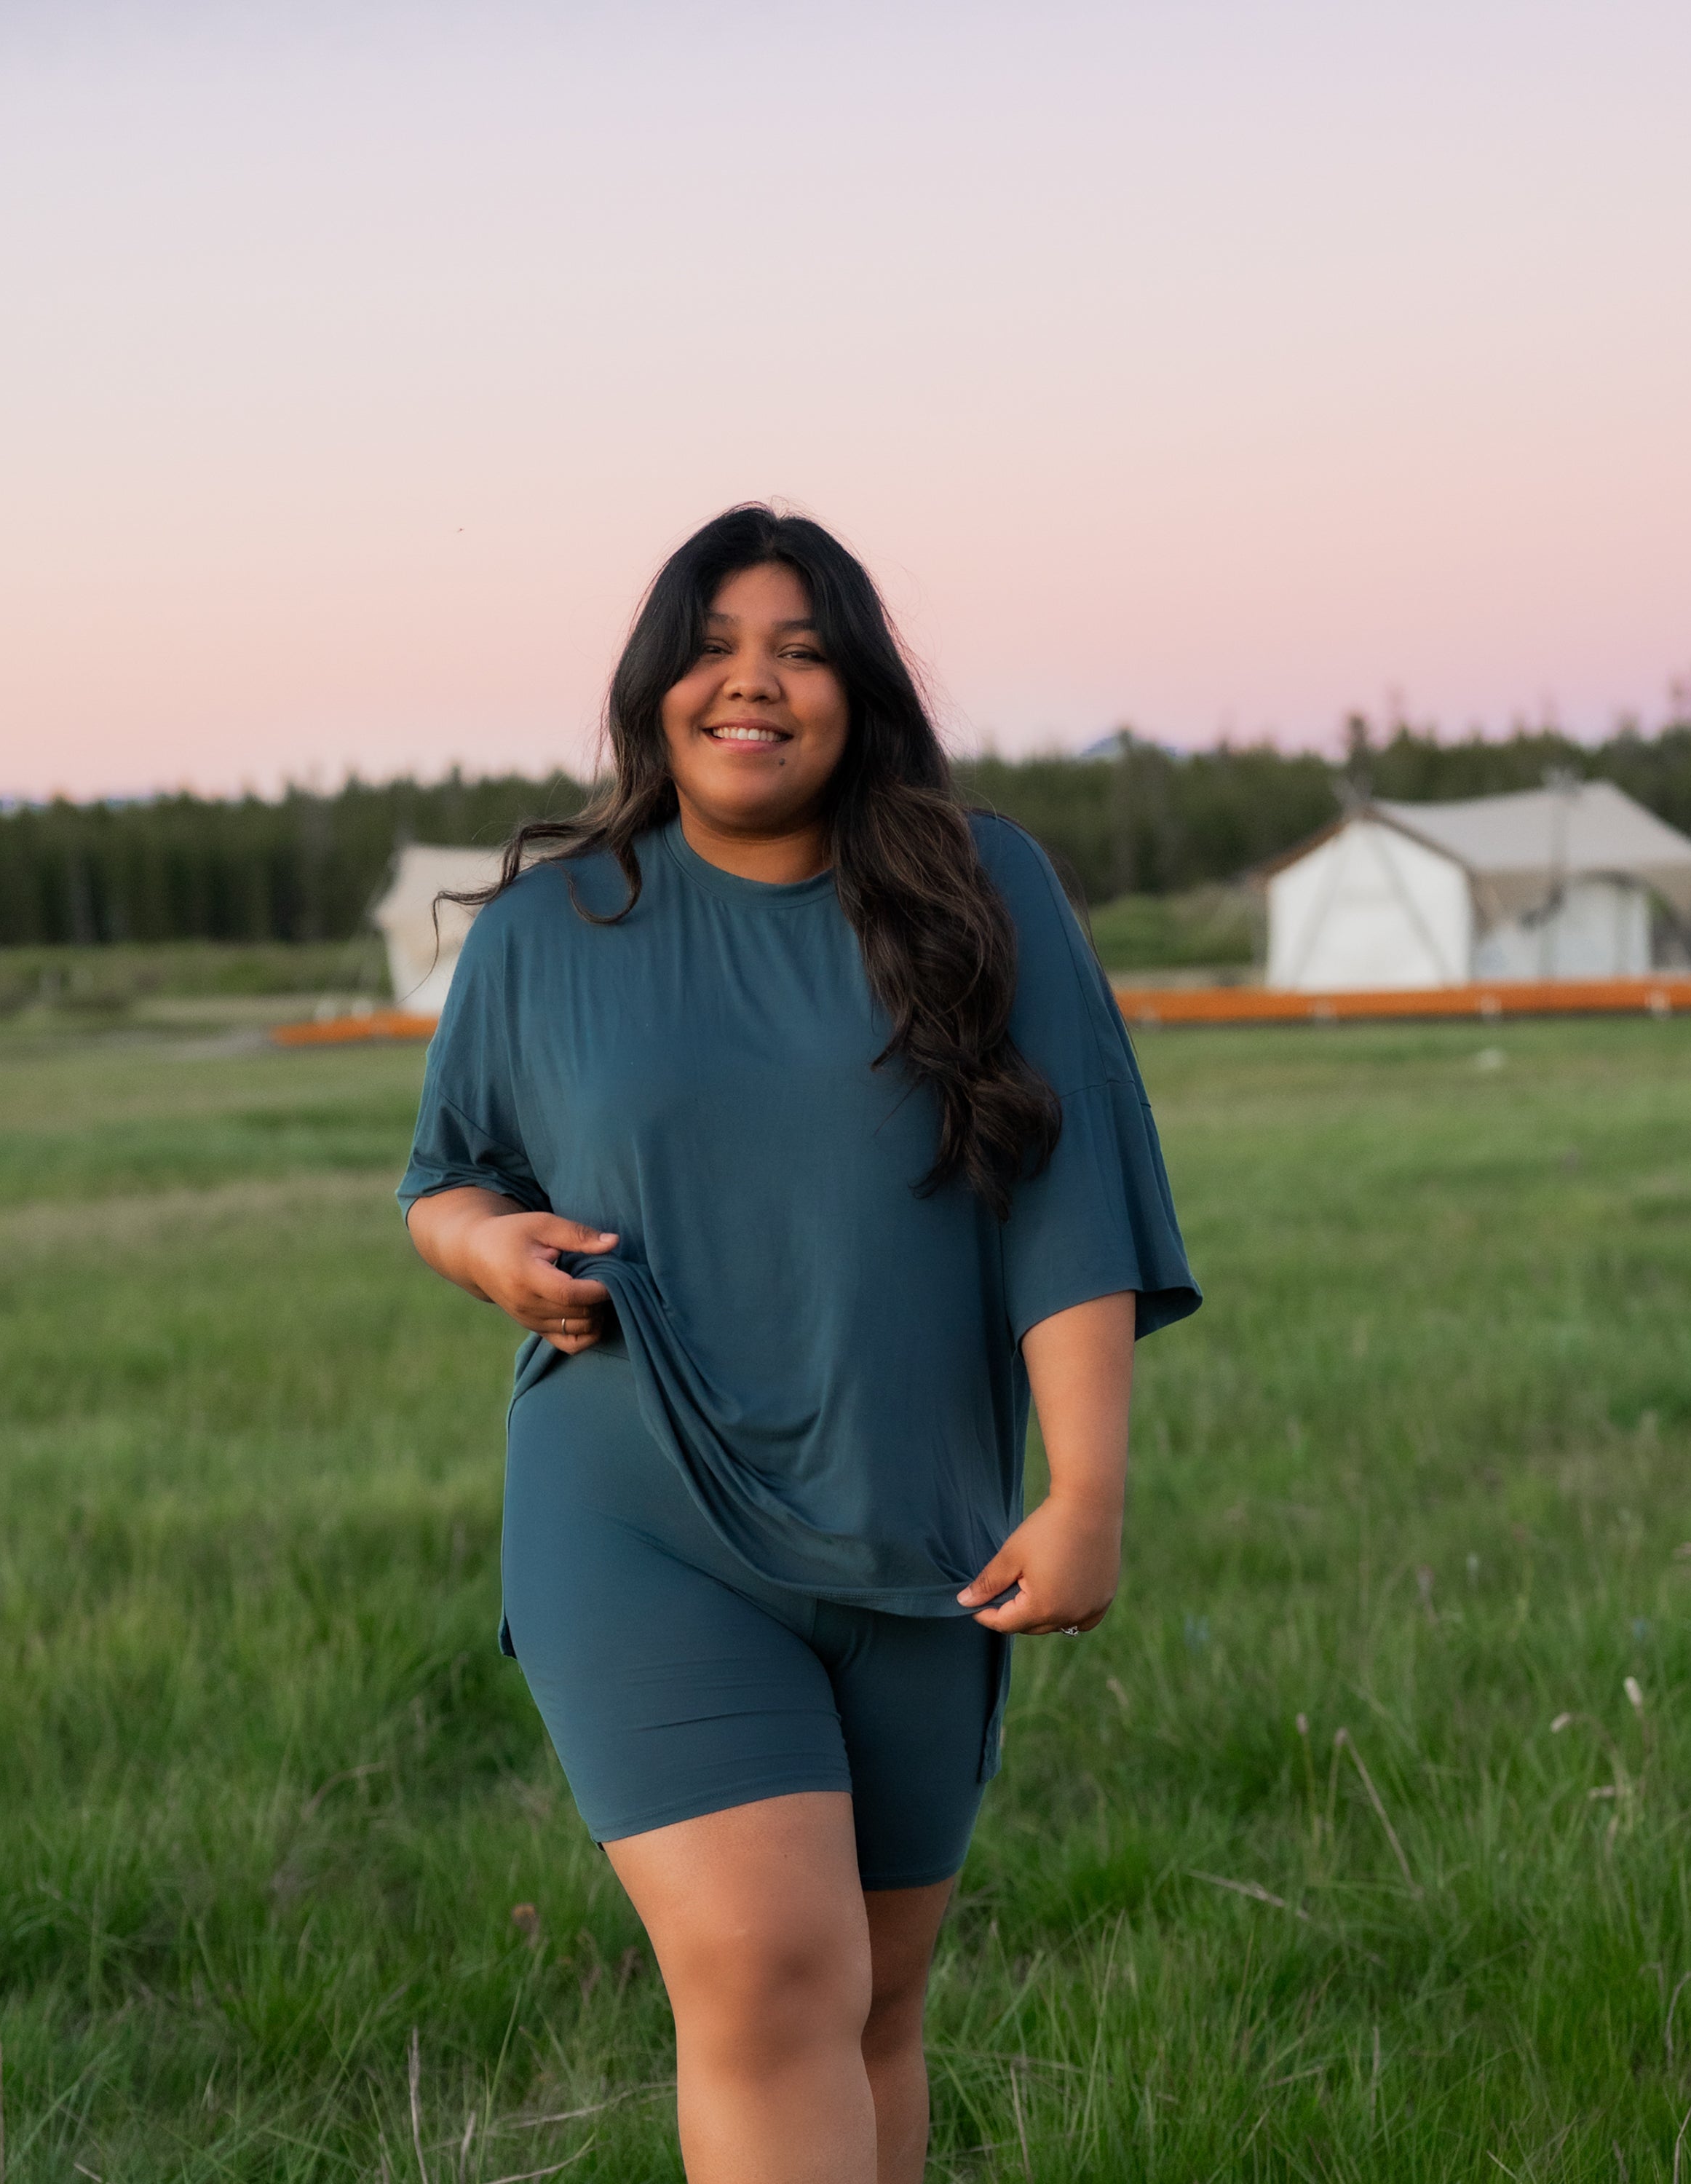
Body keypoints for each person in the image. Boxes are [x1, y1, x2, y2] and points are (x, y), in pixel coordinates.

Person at [400, 505, 1198, 2184]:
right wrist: (490, 1252)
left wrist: (1090, 1487)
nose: (749, 682)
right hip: (635, 1513)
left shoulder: (985, 892)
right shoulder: (550, 933)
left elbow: (1064, 1207)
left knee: (875, 2003)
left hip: (920, 1523)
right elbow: (448, 1180)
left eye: (800, 648)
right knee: (775, 1973)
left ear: (860, 693)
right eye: (709, 646)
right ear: (654, 689)